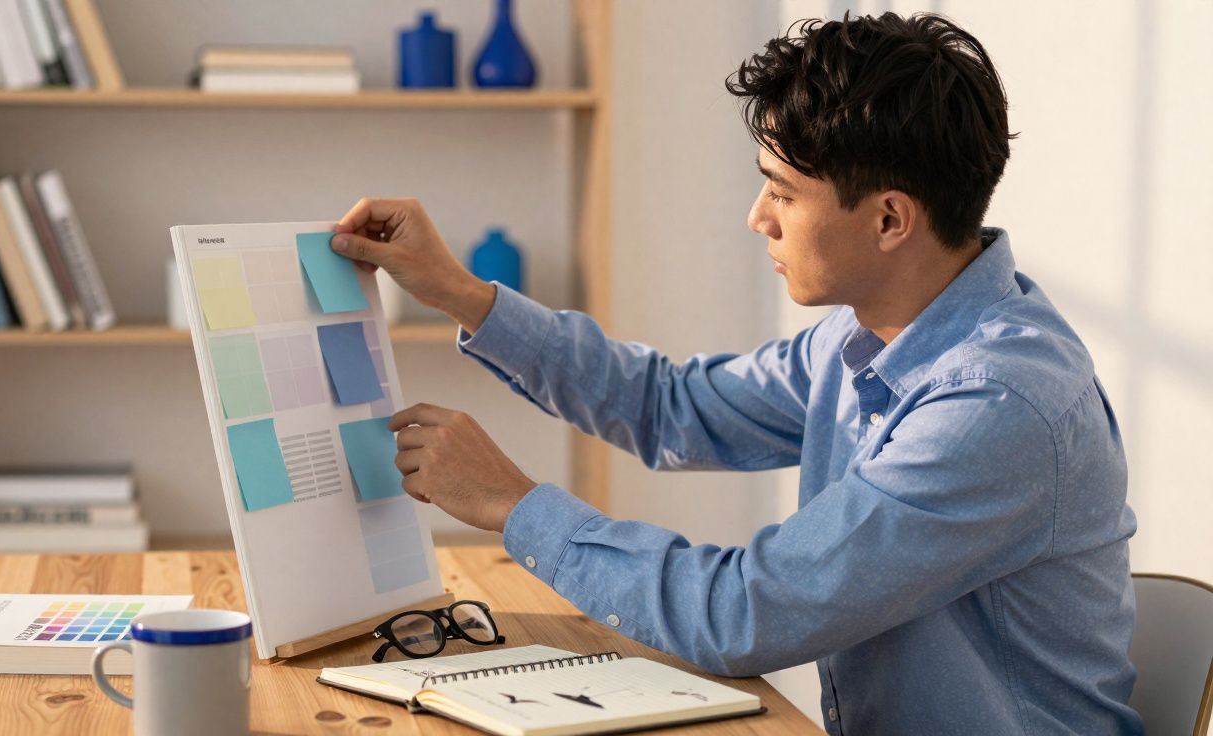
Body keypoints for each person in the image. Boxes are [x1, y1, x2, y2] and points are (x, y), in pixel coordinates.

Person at [330, 12, 1140, 735]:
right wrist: (460, 293)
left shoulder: (993, 406)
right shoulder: (867, 335)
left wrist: (513, 504)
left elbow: (747, 611)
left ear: (890, 218)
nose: (757, 219)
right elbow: (672, 405)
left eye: (781, 192)